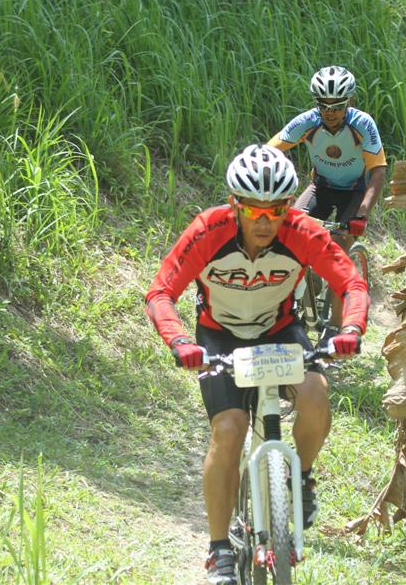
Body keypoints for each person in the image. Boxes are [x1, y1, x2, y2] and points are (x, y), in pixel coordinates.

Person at [145, 144, 369, 585]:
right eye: (253, 210)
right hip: (219, 336)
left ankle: (301, 478)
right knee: (229, 429)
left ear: (289, 206)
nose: (265, 222)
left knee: (315, 393)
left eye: (277, 210)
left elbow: (351, 283)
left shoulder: (302, 232)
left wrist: (351, 329)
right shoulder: (208, 230)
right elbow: (161, 293)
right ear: (235, 204)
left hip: (278, 331)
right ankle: (219, 550)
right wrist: (179, 340)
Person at [268, 65, 386, 344]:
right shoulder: (307, 122)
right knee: (290, 234)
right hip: (321, 187)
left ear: (349, 102)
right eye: (323, 105)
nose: (330, 112)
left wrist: (362, 214)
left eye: (337, 105)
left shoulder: (362, 124)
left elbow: (378, 170)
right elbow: (268, 152)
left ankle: (334, 327)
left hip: (354, 192)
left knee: (337, 252)